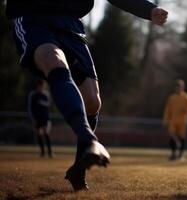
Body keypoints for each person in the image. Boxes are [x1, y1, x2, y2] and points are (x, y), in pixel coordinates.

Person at [6, 0, 168, 191]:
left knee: (92, 101)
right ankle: (89, 139)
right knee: (55, 61)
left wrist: (148, 10)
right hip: (34, 17)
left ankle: (78, 170)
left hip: (72, 26)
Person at [163, 79, 187, 161]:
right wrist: (166, 119)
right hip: (173, 121)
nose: (178, 88)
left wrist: (186, 110)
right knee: (172, 136)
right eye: (177, 86)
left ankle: (180, 155)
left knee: (182, 138)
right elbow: (168, 110)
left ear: (183, 87)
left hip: (183, 121)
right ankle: (173, 154)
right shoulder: (172, 98)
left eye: (180, 86)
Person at [28, 79, 53, 158]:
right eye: (40, 85)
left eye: (43, 86)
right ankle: (42, 153)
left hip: (45, 118)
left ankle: (50, 153)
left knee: (46, 133)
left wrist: (43, 103)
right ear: (37, 86)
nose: (41, 87)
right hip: (37, 118)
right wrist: (33, 118)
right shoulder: (33, 94)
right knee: (38, 134)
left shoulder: (46, 94)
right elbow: (30, 107)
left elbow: (49, 104)